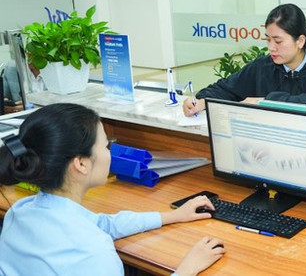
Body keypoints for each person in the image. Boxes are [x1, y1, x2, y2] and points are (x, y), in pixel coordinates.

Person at [0, 103, 225, 275]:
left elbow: (103, 224)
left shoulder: (20, 211)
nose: (110, 152)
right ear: (81, 164)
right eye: (106, 145)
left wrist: (173, 215)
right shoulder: (92, 251)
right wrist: (187, 269)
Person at [183, 3, 306, 116]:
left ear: (300, 41)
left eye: (278, 41)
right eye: (268, 39)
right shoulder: (262, 66)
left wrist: (265, 102)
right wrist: (201, 102)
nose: (271, 47)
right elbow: (225, 89)